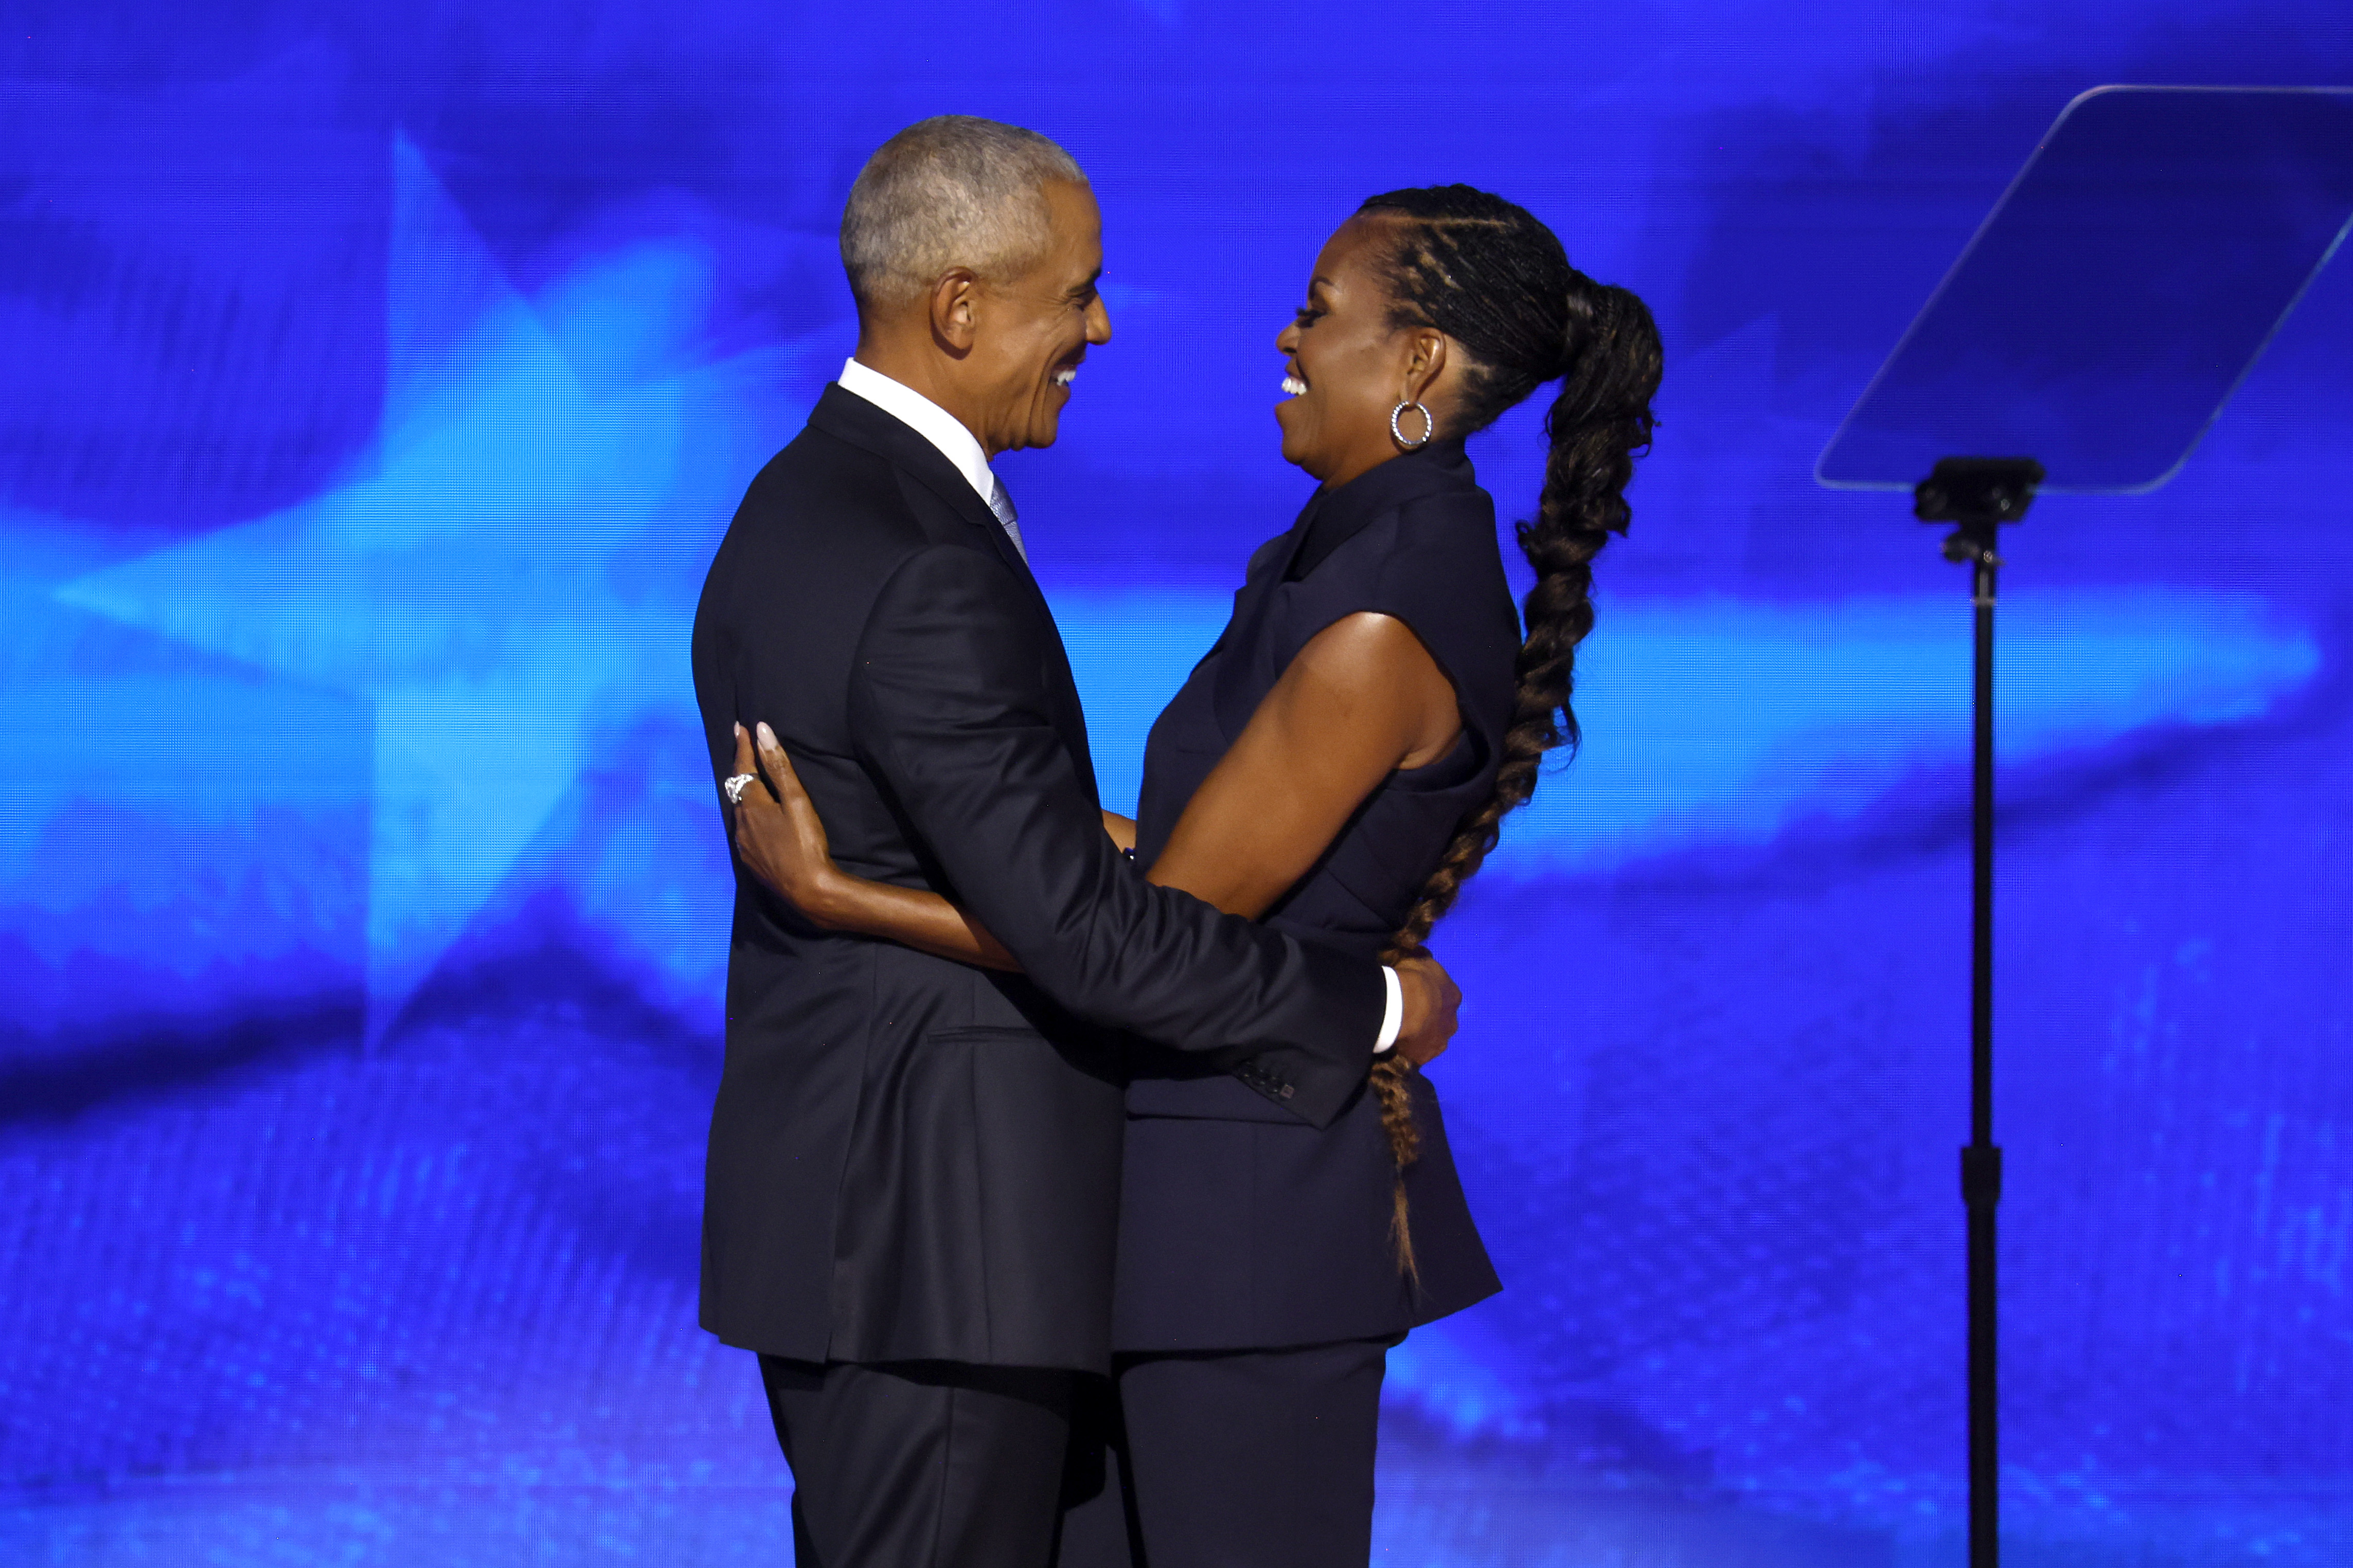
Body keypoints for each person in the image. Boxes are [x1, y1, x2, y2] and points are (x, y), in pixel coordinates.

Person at [729, 184, 1664, 1566]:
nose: (1287, 340)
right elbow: (1159, 869)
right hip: (1171, 1219)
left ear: (1416, 364)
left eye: (1320, 312)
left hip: (1249, 1239)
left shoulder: (1382, 608)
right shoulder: (1332, 559)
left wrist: (843, 893)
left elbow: (1142, 931)